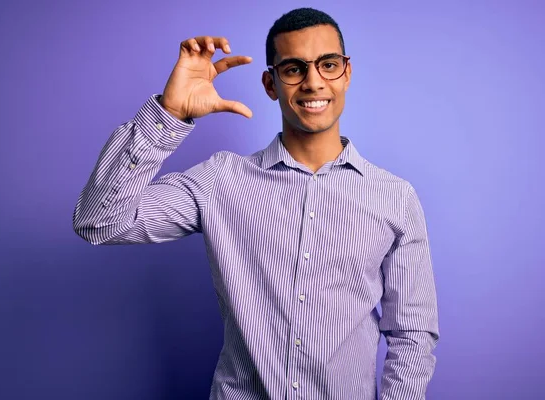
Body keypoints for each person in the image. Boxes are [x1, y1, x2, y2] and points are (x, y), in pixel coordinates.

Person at [73, 7, 440, 400]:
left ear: (346, 73)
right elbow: (99, 222)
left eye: (328, 65)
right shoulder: (221, 180)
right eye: (294, 69)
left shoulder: (395, 198)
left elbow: (412, 334)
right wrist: (169, 112)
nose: (313, 82)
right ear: (271, 83)